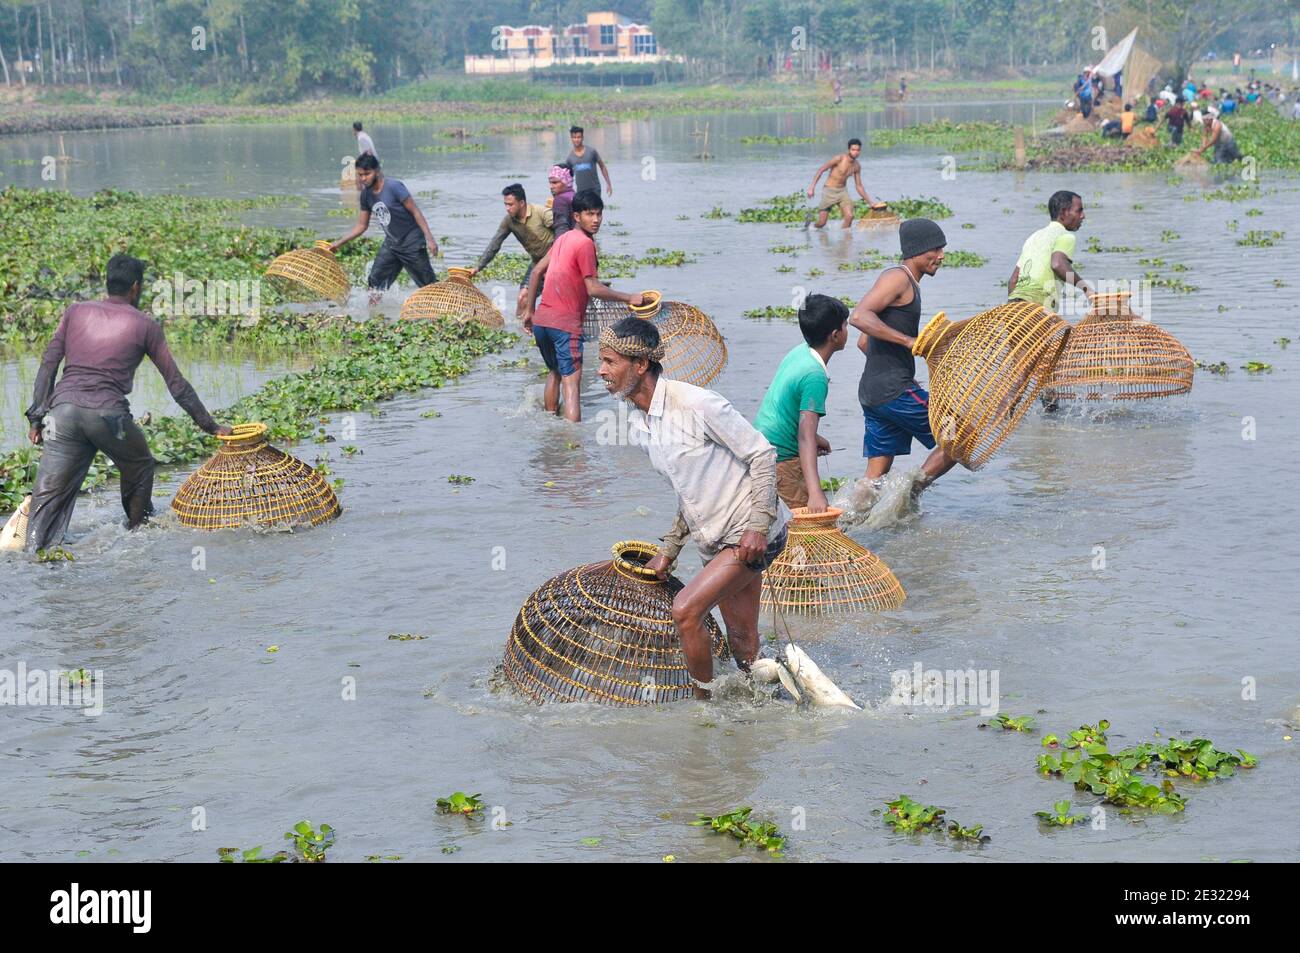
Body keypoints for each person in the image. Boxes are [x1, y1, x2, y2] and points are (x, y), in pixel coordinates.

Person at [596, 317, 790, 699]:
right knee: (743, 643)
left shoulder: (697, 403)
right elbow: (689, 491)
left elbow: (763, 455)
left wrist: (757, 527)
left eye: (610, 361)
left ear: (640, 365)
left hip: (750, 533)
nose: (601, 371)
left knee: (685, 611)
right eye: (601, 362)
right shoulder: (639, 423)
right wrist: (669, 551)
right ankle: (773, 708)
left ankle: (705, 710)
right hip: (715, 538)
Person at [22, 254, 232, 552]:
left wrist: (36, 418)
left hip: (62, 414)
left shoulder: (74, 312)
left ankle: (33, 555)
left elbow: (48, 365)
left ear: (108, 283)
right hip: (109, 418)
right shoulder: (146, 326)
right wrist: (210, 426)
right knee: (140, 463)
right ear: (135, 287)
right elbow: (177, 385)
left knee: (47, 497)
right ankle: (136, 534)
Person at [851, 219, 957, 494]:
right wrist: (909, 342)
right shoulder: (898, 278)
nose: (942, 256)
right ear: (917, 250)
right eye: (936, 249)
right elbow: (859, 317)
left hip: (875, 392)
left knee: (874, 477)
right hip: (893, 391)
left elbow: (864, 343)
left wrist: (891, 370)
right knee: (960, 436)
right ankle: (909, 493)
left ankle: (847, 522)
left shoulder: (906, 282)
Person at [519, 189, 643, 423]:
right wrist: (629, 298)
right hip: (565, 325)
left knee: (555, 373)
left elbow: (536, 272)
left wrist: (530, 311)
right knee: (572, 384)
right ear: (577, 216)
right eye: (589, 214)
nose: (595, 220)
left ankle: (552, 431)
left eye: (599, 214)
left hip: (542, 323)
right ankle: (573, 448)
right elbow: (593, 289)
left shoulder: (562, 239)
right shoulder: (586, 244)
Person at [753, 294, 848, 513]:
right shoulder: (815, 376)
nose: (846, 330)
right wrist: (815, 493)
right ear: (835, 335)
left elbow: (788, 407)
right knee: (808, 529)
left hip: (762, 443)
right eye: (845, 325)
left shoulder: (800, 352)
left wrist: (816, 438)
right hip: (781, 458)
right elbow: (805, 438)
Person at [331, 154, 439, 301]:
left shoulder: (394, 187)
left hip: (412, 243)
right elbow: (362, 225)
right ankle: (373, 317)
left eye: (367, 174)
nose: (363, 178)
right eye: (360, 175)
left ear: (377, 171)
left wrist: (430, 239)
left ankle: (442, 315)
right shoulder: (366, 195)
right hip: (392, 245)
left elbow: (416, 212)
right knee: (375, 283)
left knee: (429, 286)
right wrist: (338, 243)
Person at [469, 183, 554, 315]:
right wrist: (479, 267)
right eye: (505, 205)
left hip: (556, 260)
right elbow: (495, 243)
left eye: (511, 204)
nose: (507, 208)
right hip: (537, 262)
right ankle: (521, 333)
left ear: (521, 203)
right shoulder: (508, 221)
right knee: (523, 298)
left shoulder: (541, 213)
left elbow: (565, 233)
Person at [806, 139, 875, 230]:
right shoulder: (839, 159)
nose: (855, 152)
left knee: (849, 216)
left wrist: (870, 202)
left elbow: (859, 186)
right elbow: (821, 170)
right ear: (849, 150)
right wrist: (812, 187)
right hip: (829, 191)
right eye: (853, 150)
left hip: (842, 192)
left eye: (858, 150)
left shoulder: (856, 166)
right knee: (822, 223)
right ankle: (810, 227)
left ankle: (844, 241)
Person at [566, 126, 612, 197]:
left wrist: (608, 184)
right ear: (571, 138)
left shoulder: (591, 152)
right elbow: (567, 176)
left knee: (595, 208)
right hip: (581, 193)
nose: (576, 140)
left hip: (595, 190)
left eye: (579, 137)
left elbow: (602, 166)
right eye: (574, 137)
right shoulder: (570, 158)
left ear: (583, 137)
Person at [547, 164, 575, 237]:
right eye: (550, 183)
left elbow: (561, 228)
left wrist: (559, 246)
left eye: (555, 183)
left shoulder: (560, 200)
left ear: (566, 182)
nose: (551, 187)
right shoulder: (574, 195)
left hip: (568, 242)